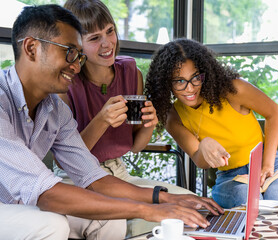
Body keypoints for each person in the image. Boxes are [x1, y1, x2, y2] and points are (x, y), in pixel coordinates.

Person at [0, 5, 224, 240]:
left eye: (78, 55)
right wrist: (149, 210)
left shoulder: (55, 111)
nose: (76, 65)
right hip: (11, 205)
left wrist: (166, 198)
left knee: (109, 223)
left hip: (23, 202)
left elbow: (93, 177)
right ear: (31, 48)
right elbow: (46, 193)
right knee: (49, 224)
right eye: (69, 52)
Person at [54, 0, 194, 193]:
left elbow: (136, 146)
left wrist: (150, 124)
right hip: (75, 179)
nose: (107, 43)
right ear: (75, 44)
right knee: (132, 215)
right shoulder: (64, 83)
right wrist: (101, 120)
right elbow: (63, 161)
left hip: (117, 173)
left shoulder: (131, 73)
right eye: (95, 38)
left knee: (186, 200)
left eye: (110, 31)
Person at [145, 38, 278, 209]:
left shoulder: (233, 89)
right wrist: (203, 146)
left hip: (270, 163)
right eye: (179, 81)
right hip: (231, 177)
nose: (189, 88)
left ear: (205, 72)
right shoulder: (173, 116)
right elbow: (200, 160)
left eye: (195, 77)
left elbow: (274, 113)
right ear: (167, 83)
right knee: (249, 205)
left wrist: (268, 165)